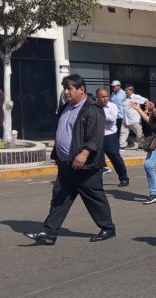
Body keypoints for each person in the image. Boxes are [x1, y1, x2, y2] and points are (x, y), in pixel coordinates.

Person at [23, 75, 116, 245]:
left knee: (94, 198)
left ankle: (108, 228)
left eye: (70, 88)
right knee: (60, 198)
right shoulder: (66, 107)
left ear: (81, 90)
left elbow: (95, 137)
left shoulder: (92, 109)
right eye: (65, 88)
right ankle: (49, 233)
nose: (66, 91)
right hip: (66, 165)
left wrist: (84, 153)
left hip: (85, 166)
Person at [95, 88, 129, 187]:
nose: (105, 99)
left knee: (115, 157)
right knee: (96, 159)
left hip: (110, 136)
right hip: (97, 136)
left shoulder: (112, 106)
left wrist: (100, 112)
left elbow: (112, 119)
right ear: (97, 98)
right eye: (102, 97)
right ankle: (97, 180)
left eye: (107, 96)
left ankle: (124, 178)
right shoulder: (93, 107)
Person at [119, 85, 147, 150]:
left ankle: (141, 145)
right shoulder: (125, 98)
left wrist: (146, 110)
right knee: (123, 133)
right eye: (125, 90)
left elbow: (146, 100)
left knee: (139, 133)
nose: (125, 92)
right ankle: (122, 145)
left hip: (134, 119)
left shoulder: (136, 97)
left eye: (127, 90)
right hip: (126, 119)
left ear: (131, 90)